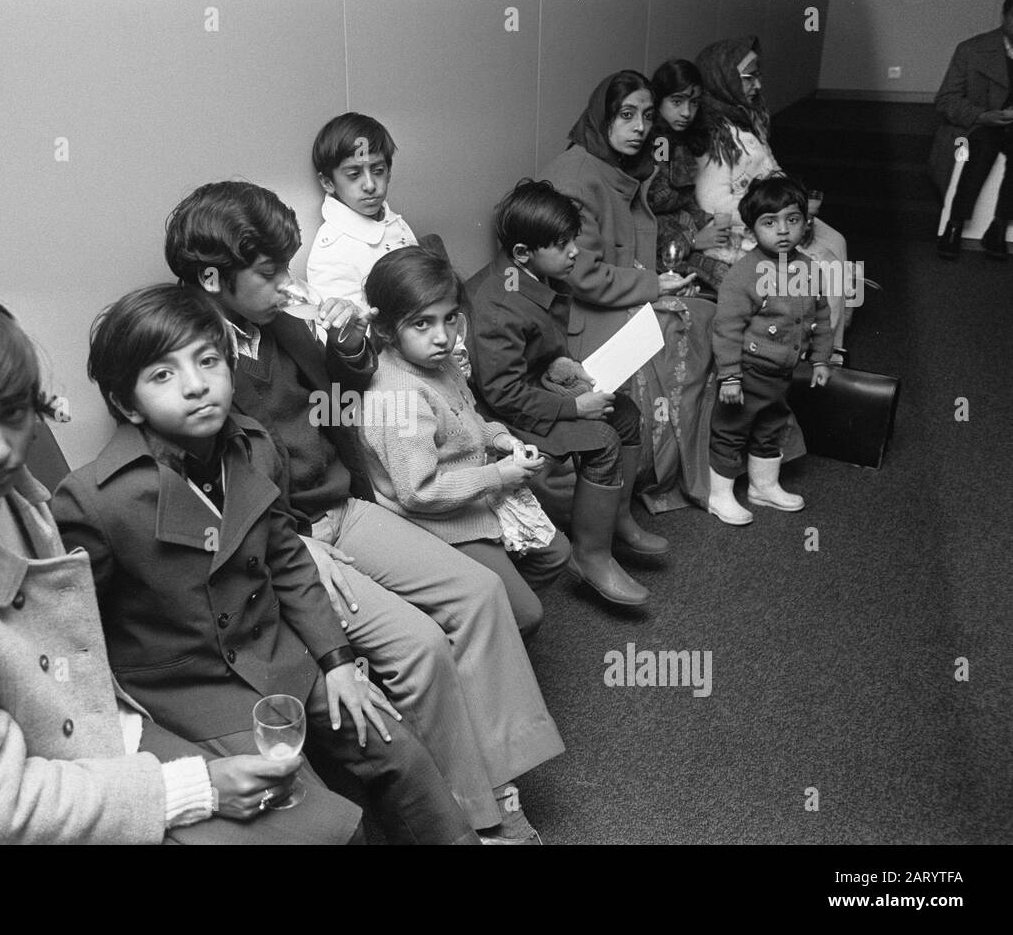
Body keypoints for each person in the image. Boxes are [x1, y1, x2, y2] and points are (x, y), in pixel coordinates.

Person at [0, 295, 359, 844]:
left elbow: (61, 665)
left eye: (14, 412)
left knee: (322, 819)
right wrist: (196, 786)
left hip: (73, 747)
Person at [164, 181, 565, 844]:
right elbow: (208, 478)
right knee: (421, 645)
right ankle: (473, 810)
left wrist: (349, 348)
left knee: (483, 594)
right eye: (271, 272)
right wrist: (291, 537)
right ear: (211, 278)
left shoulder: (275, 324)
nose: (286, 283)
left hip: (340, 504)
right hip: (290, 539)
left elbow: (339, 394)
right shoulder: (193, 356)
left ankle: (497, 773)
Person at [52, 285, 477, 845]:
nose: (197, 384)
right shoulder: (93, 500)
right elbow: (71, 641)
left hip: (280, 658)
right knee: (321, 821)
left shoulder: (254, 446)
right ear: (128, 404)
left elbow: (289, 560)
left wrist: (338, 662)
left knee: (400, 752)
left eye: (207, 361)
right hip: (192, 692)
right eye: (162, 375)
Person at [465, 179, 667, 607]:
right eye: (561, 244)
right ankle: (591, 556)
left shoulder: (529, 277)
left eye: (572, 239)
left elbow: (537, 350)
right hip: (506, 413)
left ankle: (618, 519)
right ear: (523, 253)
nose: (574, 250)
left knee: (625, 412)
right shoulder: (499, 302)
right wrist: (574, 406)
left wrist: (563, 366)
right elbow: (502, 394)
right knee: (602, 439)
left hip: (535, 389)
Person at [358, 245, 572, 638]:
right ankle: (485, 634)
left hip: (472, 493)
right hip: (437, 521)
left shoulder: (441, 364)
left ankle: (489, 623)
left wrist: (501, 439)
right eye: (422, 324)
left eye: (450, 318)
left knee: (556, 554)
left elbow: (468, 424)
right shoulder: (399, 398)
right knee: (527, 615)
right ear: (387, 330)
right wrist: (499, 476)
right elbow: (419, 493)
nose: (443, 337)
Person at [538, 70, 716, 515]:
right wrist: (654, 285)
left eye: (647, 116)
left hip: (613, 294)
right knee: (689, 323)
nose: (640, 127)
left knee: (705, 313)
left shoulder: (610, 164)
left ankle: (695, 470)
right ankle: (675, 476)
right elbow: (583, 276)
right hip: (580, 312)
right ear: (603, 117)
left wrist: (651, 281)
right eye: (626, 114)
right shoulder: (578, 177)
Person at [694, 36, 852, 364]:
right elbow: (712, 199)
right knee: (823, 267)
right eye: (748, 76)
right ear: (724, 76)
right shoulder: (715, 131)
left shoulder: (745, 117)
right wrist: (776, 214)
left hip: (771, 209)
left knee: (837, 241)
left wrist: (796, 202)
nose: (757, 84)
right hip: (746, 226)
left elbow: (770, 169)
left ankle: (831, 345)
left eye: (757, 75)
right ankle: (818, 357)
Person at [709, 175, 832, 525]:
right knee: (732, 430)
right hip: (748, 371)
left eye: (791, 220)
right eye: (769, 223)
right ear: (751, 231)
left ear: (805, 224)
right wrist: (730, 376)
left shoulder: (808, 267)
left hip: (782, 373)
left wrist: (821, 357)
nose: (782, 231)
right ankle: (720, 496)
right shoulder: (744, 274)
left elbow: (820, 314)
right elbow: (727, 327)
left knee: (771, 427)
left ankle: (763, 486)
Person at [306, 112, 419, 312]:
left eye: (378, 171)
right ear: (327, 182)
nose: (369, 185)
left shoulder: (395, 223)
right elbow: (348, 333)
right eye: (354, 174)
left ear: (389, 172)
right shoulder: (332, 251)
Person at [931, 0, 1013, 260]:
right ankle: (955, 224)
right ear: (1005, 16)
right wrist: (982, 115)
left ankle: (998, 227)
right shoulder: (972, 50)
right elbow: (945, 100)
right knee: (982, 145)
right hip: (979, 125)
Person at [647, 58, 731, 288]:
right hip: (656, 251)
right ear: (658, 100)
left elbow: (682, 199)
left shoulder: (680, 139)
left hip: (682, 236)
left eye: (693, 103)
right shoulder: (658, 142)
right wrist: (693, 239)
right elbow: (651, 203)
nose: (686, 112)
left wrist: (707, 223)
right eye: (677, 101)